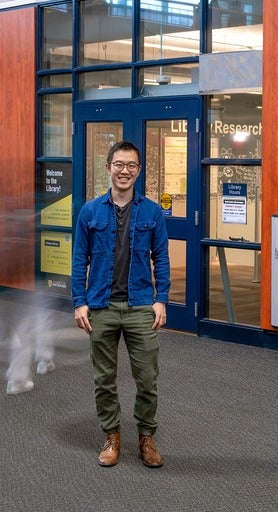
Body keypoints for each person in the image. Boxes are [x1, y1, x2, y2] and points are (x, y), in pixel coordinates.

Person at [72, 140, 170, 469]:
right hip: (101, 306)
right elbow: (78, 260)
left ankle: (146, 437)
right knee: (104, 378)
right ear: (108, 168)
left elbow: (162, 259)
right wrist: (79, 302)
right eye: (119, 164)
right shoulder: (90, 211)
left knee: (147, 378)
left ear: (138, 171)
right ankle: (111, 436)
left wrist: (161, 299)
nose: (124, 171)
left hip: (141, 305)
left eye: (131, 166)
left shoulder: (153, 212)